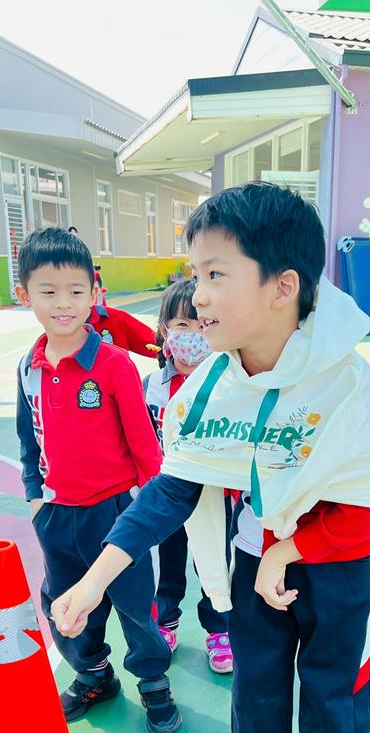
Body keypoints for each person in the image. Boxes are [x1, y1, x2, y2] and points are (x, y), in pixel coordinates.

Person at [51, 183, 370, 733]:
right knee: (256, 686)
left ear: (282, 287)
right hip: (251, 563)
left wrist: (288, 549)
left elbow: (363, 512)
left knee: (334, 691)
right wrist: (94, 580)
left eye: (214, 275)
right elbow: (170, 491)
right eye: (194, 274)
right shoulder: (209, 387)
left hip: (337, 568)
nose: (196, 297)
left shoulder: (345, 382)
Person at [14, 226, 180, 733]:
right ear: (24, 295)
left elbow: (146, 449)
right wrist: (36, 499)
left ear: (94, 294)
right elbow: (27, 438)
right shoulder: (28, 368)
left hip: (116, 514)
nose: (63, 304)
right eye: (48, 291)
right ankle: (93, 675)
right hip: (57, 515)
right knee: (62, 604)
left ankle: (153, 682)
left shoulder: (113, 365)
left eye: (75, 291)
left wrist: (146, 514)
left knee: (135, 606)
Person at [145, 279, 233, 673]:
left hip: (213, 495)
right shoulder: (151, 387)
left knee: (215, 564)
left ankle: (220, 629)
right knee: (169, 563)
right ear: (165, 330)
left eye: (201, 325)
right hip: (167, 495)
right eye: (182, 325)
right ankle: (166, 622)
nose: (193, 335)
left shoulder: (227, 383)